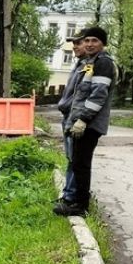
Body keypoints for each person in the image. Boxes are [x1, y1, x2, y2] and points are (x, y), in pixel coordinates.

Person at [55, 26, 115, 217]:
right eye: (87, 40)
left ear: (103, 44)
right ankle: (74, 200)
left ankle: (80, 205)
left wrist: (82, 119)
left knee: (81, 163)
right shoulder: (91, 62)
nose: (89, 44)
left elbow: (98, 95)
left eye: (94, 41)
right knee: (77, 162)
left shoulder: (103, 63)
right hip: (81, 122)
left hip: (89, 124)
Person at [55, 34, 89, 201]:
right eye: (73, 43)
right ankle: (68, 194)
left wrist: (80, 118)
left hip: (75, 118)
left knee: (75, 159)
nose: (75, 46)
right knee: (70, 157)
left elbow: (84, 95)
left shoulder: (88, 66)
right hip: (68, 116)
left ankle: (71, 197)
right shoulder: (78, 64)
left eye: (78, 43)